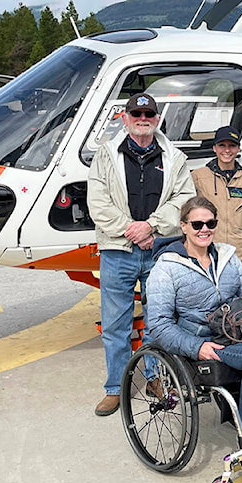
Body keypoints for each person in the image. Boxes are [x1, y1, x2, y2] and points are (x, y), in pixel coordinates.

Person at [147, 197, 242, 467]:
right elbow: (158, 324)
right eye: (197, 224)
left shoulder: (227, 255)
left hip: (236, 331)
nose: (204, 229)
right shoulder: (166, 268)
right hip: (201, 341)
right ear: (183, 226)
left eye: (210, 223)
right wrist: (196, 347)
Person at [87, 92, 195, 417]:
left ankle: (154, 378)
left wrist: (151, 226)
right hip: (118, 251)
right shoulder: (105, 156)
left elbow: (184, 199)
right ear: (125, 118)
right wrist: (131, 229)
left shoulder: (174, 157)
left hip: (158, 248)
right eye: (137, 114)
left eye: (149, 114)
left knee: (158, 320)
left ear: (157, 119)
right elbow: (98, 203)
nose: (143, 119)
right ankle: (115, 387)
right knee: (115, 323)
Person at [191, 125, 242, 280]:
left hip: (240, 257)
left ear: (238, 149)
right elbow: (187, 219)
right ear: (214, 148)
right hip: (207, 255)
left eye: (232, 145)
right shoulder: (198, 177)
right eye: (222, 145)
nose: (227, 150)